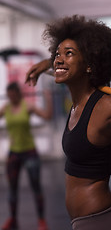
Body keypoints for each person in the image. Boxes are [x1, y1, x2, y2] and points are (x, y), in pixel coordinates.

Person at [25, 15, 111, 230]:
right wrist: (46, 64)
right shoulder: (78, 101)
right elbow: (63, 69)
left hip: (103, 221)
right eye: (57, 54)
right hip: (84, 221)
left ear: (90, 64)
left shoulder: (108, 106)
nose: (59, 59)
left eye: (69, 53)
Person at [0, 82, 52, 230]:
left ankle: (41, 220)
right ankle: (13, 220)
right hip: (14, 152)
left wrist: (48, 99)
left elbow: (47, 116)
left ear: (17, 93)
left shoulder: (27, 106)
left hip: (29, 152)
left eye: (13, 95)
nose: (11, 98)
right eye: (9, 96)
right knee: (12, 189)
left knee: (36, 187)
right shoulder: (6, 108)